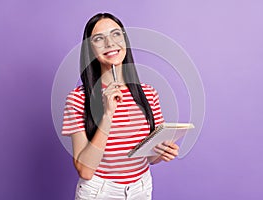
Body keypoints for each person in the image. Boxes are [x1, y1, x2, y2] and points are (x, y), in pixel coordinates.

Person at [62, 13, 179, 200]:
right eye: (99, 39)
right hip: (99, 192)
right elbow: (85, 171)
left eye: (116, 34)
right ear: (90, 50)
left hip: (141, 188)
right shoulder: (78, 99)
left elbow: (149, 157)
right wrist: (107, 115)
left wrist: (162, 152)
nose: (110, 43)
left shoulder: (149, 94)